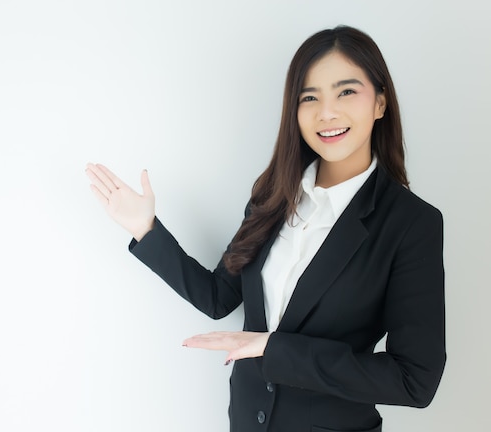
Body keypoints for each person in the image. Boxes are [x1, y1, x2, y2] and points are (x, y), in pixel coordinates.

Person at [85, 25, 445, 432]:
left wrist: (275, 349)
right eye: (309, 97)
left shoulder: (411, 223)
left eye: (346, 92)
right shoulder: (273, 196)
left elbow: (414, 381)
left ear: (380, 102)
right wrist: (146, 230)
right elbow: (219, 296)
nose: (326, 112)